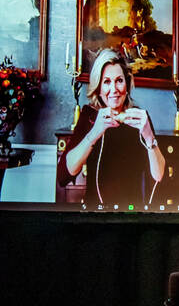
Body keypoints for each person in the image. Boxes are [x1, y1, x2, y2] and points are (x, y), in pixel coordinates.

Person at [57, 48, 165, 206]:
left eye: (119, 81)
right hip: (96, 212)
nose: (114, 90)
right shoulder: (89, 116)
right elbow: (63, 176)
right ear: (98, 88)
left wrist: (149, 137)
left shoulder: (139, 118)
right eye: (107, 82)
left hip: (131, 211)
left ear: (127, 84)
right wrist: (95, 132)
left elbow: (159, 176)